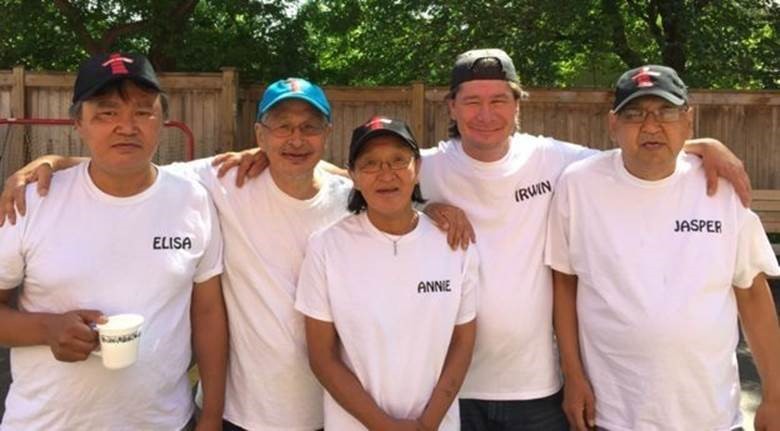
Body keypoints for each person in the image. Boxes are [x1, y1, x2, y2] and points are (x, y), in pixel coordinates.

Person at [0, 76, 472, 430]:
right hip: (247, 412)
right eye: (281, 127)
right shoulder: (220, 181)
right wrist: (53, 162)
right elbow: (133, 164)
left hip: (339, 409)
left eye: (309, 127)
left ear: (326, 134)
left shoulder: (347, 195)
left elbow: (388, 188)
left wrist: (430, 207)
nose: (295, 139)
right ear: (259, 134)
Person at [0, 52, 227, 430]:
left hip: (162, 422)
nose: (127, 127)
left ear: (163, 121)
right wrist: (45, 328)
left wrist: (212, 416)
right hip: (45, 422)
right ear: (79, 124)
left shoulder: (193, 199)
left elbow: (208, 314)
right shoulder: (34, 200)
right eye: (106, 113)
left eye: (142, 112)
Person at [546, 65, 780, 431]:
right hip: (614, 415)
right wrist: (572, 376)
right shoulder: (578, 186)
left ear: (689, 120)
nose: (651, 125)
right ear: (613, 124)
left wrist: (776, 396)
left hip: (712, 415)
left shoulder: (723, 187)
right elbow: (564, 283)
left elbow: (752, 293)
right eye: (634, 114)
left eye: (666, 112)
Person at [295, 116, 478, 431]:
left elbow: (463, 342)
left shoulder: (454, 244)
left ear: (417, 169)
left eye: (398, 160)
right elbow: (322, 357)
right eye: (370, 164)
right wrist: (383, 426)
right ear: (352, 175)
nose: (386, 174)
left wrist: (428, 423)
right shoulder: (327, 247)